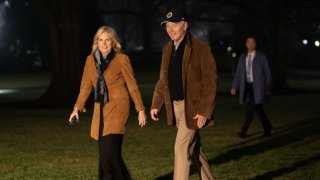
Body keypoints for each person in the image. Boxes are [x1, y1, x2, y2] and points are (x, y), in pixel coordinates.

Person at [68, 26, 147, 180]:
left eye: (108, 40)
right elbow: (85, 88)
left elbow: (132, 86)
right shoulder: (90, 60)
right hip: (100, 111)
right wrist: (77, 108)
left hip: (118, 108)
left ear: (113, 42)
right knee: (107, 156)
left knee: (109, 152)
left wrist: (140, 109)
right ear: (96, 42)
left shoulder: (122, 59)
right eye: (101, 40)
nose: (104, 43)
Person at [150, 9, 217, 180]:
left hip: (194, 109)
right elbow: (162, 81)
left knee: (180, 147)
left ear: (184, 26)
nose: (170, 30)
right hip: (175, 107)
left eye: (174, 25)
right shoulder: (167, 49)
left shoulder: (201, 49)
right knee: (194, 149)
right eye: (167, 26)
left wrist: (204, 110)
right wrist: (156, 104)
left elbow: (210, 83)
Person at [231, 37, 272, 138]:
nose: (250, 44)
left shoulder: (261, 57)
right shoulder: (242, 57)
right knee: (258, 108)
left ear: (255, 44)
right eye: (248, 42)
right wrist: (234, 86)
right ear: (246, 44)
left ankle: (243, 131)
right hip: (247, 87)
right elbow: (238, 74)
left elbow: (268, 74)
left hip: (258, 87)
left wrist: (268, 88)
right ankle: (268, 128)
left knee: (250, 108)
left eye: (253, 42)